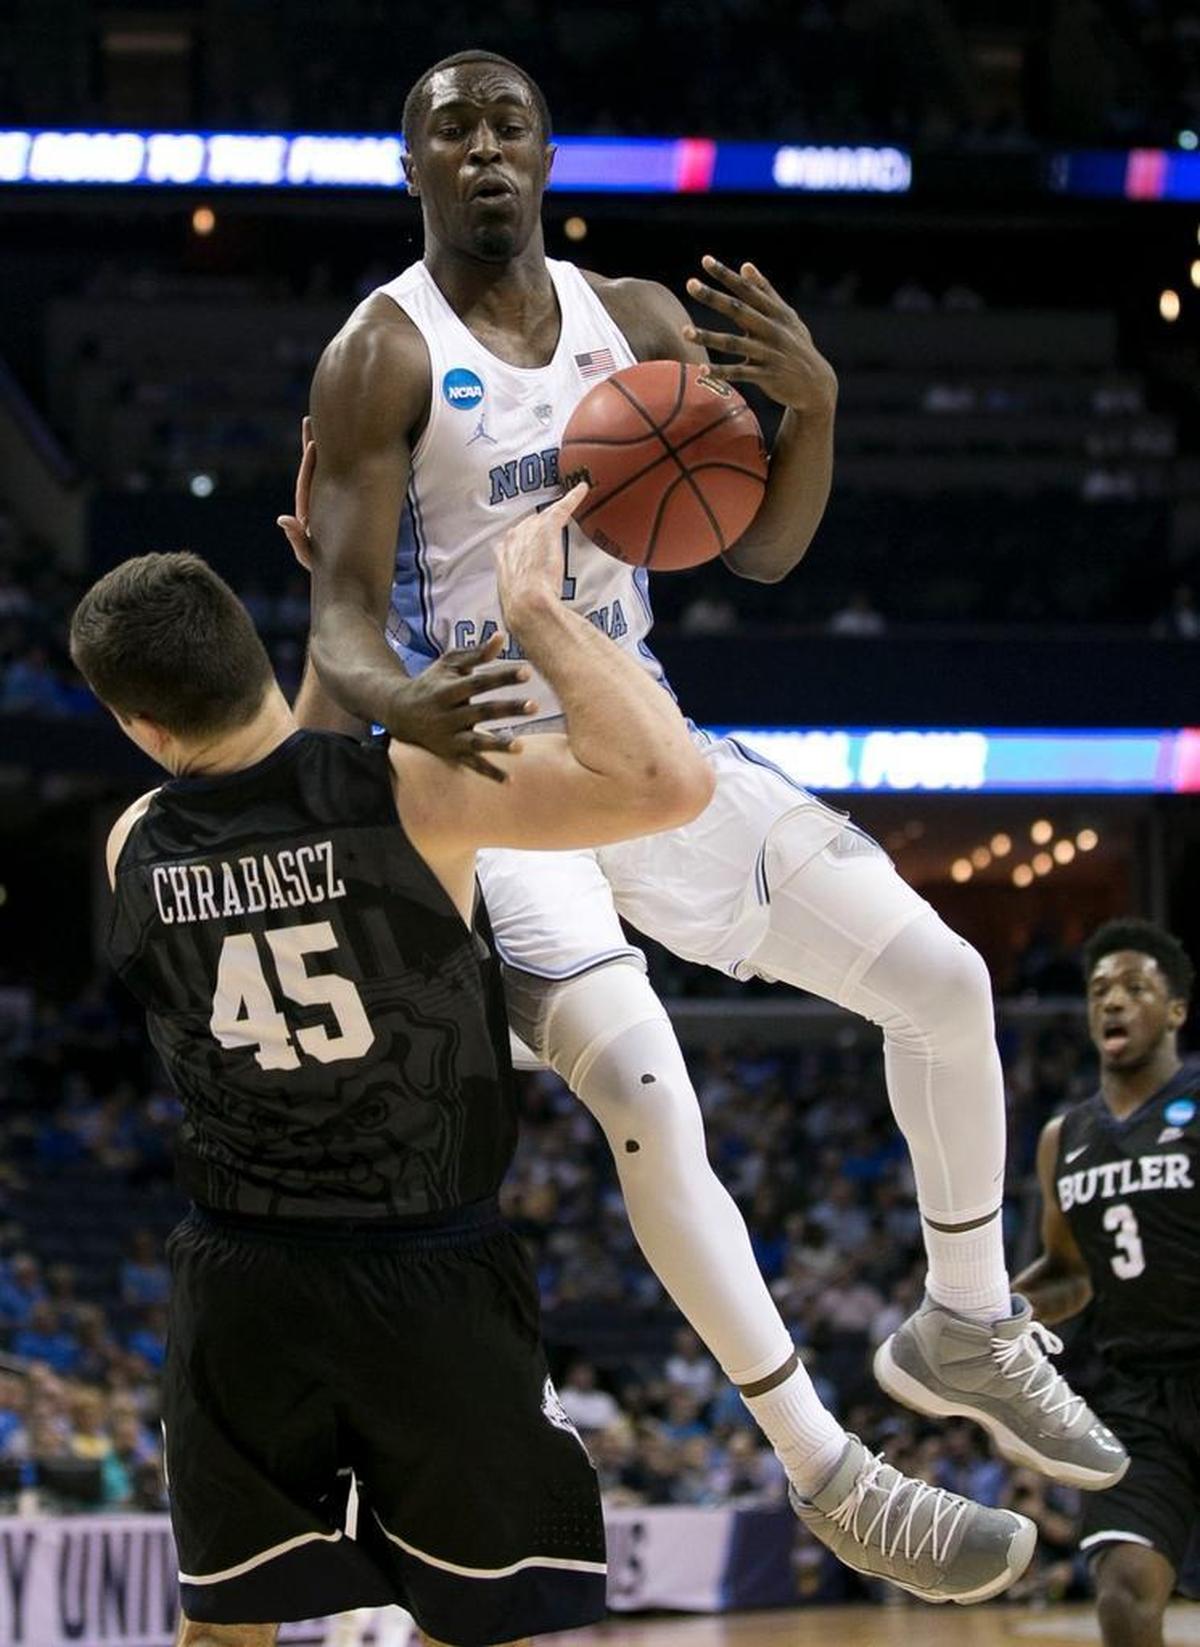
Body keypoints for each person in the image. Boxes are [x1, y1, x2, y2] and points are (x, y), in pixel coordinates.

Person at [282, 46, 1123, 1600]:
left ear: (547, 155)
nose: (483, 149)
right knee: (650, 1090)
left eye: (508, 125)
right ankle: (825, 1460)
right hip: (492, 775)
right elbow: (332, 632)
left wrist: (813, 413)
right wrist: (408, 712)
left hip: (644, 727)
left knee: (947, 981)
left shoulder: (645, 322)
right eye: (449, 129)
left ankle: (964, 1318)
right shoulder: (378, 354)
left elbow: (767, 552)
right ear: (412, 166)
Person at [67, 490, 717, 1647]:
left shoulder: (133, 846)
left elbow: (264, 784)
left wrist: (341, 615)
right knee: (485, 1617)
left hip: (243, 1279)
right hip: (425, 1263)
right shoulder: (409, 794)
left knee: (225, 1625)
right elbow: (672, 783)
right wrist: (533, 609)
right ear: (248, 650)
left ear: (141, 728)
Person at [1014, 918, 1200, 1647]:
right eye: (1098, 991)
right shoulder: (1065, 1136)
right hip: (1135, 1393)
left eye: (1134, 987)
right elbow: (1070, 1272)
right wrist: (996, 1311)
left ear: (1176, 1009)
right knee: (1124, 1591)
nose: (1112, 1003)